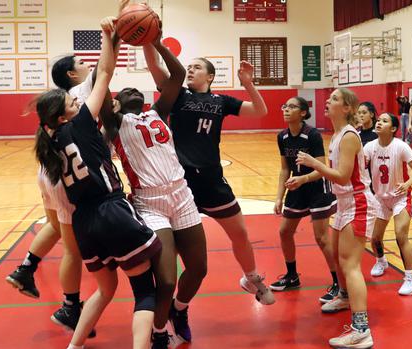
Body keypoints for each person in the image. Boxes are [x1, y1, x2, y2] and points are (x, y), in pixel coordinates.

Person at [34, 21, 160, 349]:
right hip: (111, 211)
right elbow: (104, 73)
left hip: (83, 223)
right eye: (73, 104)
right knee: (146, 291)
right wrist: (108, 36)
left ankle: (74, 346)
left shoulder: (48, 145)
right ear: (64, 116)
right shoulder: (82, 123)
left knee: (105, 289)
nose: (79, 103)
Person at [101, 32, 207, 349]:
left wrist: (156, 41)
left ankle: (179, 310)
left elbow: (175, 74)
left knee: (199, 269)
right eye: (123, 91)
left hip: (183, 196)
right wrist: (114, 41)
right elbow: (101, 79)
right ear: (116, 104)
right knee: (167, 280)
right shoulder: (115, 123)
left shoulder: (158, 112)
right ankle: (159, 331)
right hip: (150, 203)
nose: (132, 90)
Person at [144, 51, 275, 307]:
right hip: (181, 183)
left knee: (240, 234)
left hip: (213, 180)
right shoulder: (178, 94)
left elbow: (260, 110)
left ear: (210, 76)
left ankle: (251, 278)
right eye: (189, 67)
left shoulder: (221, 101)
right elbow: (155, 66)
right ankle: (174, 303)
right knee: (184, 252)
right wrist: (151, 41)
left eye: (196, 67)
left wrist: (248, 83)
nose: (190, 70)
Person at [296, 88, 377, 348]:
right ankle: (344, 297)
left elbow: (342, 176)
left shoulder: (350, 136)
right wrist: (305, 178)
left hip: (358, 203)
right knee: (337, 258)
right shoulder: (337, 135)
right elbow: (332, 172)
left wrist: (313, 163)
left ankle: (362, 330)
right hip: (343, 203)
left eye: (334, 99)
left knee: (351, 264)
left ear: (347, 108)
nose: (327, 102)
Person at [6, 166, 96, 336]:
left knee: (54, 226)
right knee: (72, 250)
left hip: (46, 170)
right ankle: (70, 308)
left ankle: (25, 269)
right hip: (65, 174)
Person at [272, 96, 338, 304]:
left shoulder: (312, 135)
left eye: (291, 106)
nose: (286, 109)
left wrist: (303, 179)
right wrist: (278, 197)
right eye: (285, 105)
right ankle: (292, 276)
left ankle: (338, 283)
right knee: (284, 231)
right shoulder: (282, 136)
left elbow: (322, 169)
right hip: (297, 188)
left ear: (302, 113)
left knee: (321, 238)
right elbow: (285, 169)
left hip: (317, 188)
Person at [363, 113, 412, 295]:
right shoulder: (369, 147)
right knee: (374, 239)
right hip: (380, 198)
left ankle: (411, 279)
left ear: (394, 128)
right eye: (378, 120)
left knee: (400, 235)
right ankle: (381, 261)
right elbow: (358, 167)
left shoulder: (401, 146)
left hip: (400, 198)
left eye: (384, 121)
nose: (379, 122)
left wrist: (407, 184)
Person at [357, 101, 412, 241]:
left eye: (364, 112)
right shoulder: (357, 134)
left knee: (400, 200)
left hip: (388, 175)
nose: (360, 115)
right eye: (359, 112)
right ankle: (373, 237)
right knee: (372, 204)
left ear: (372, 115)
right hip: (371, 177)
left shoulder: (380, 133)